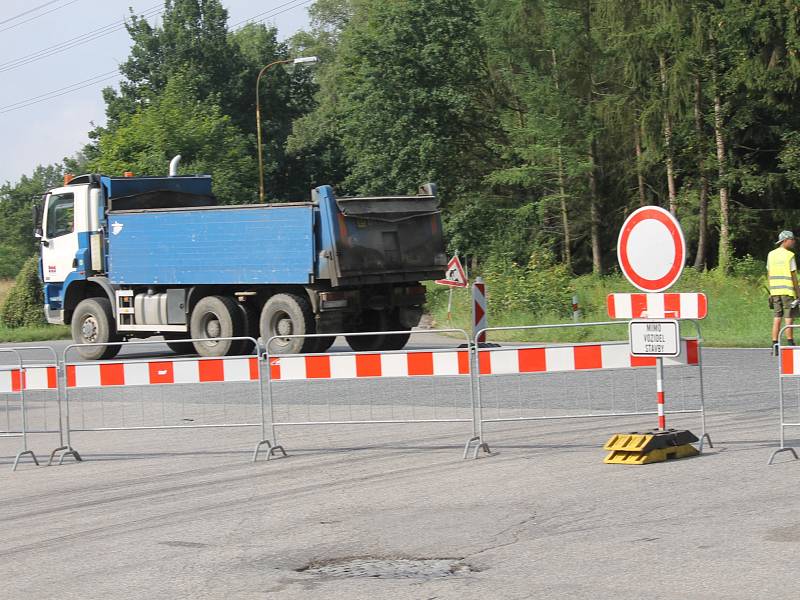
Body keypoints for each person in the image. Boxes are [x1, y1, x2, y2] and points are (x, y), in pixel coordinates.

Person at [768, 230, 800, 354]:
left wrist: (771, 290)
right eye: (792, 240)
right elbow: (793, 277)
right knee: (789, 317)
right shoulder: (789, 255)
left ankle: (775, 345)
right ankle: (790, 343)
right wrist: (798, 293)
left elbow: (769, 273)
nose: (793, 242)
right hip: (787, 290)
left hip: (775, 291)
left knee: (777, 317)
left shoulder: (771, 254)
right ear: (785, 240)